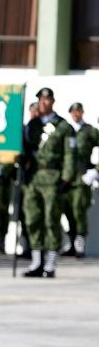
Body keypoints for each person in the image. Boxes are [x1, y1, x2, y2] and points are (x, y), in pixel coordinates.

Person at [22, 88, 76, 278]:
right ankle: (36, 261)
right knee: (32, 218)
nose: (43, 103)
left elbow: (70, 154)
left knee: (51, 219)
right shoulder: (32, 125)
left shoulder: (62, 126)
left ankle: (50, 263)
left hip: (53, 177)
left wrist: (67, 177)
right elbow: (25, 148)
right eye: (40, 100)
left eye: (46, 99)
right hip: (33, 177)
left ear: (52, 101)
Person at [61, 102, 98, 257]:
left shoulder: (89, 131)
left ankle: (80, 243)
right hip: (66, 178)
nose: (76, 114)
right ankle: (71, 243)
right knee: (67, 210)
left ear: (82, 112)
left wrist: (95, 171)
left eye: (79, 111)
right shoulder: (64, 131)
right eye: (73, 112)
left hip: (81, 177)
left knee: (78, 210)